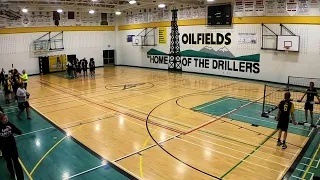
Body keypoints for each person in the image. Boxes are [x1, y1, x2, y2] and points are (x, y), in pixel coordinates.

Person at [0, 112, 24, 180]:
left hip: (12, 147)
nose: (6, 119)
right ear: (0, 120)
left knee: (15, 162)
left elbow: (19, 132)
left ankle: (19, 177)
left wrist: (11, 128)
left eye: (6, 118)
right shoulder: (5, 125)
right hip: (5, 148)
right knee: (9, 162)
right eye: (4, 119)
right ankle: (12, 173)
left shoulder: (9, 124)